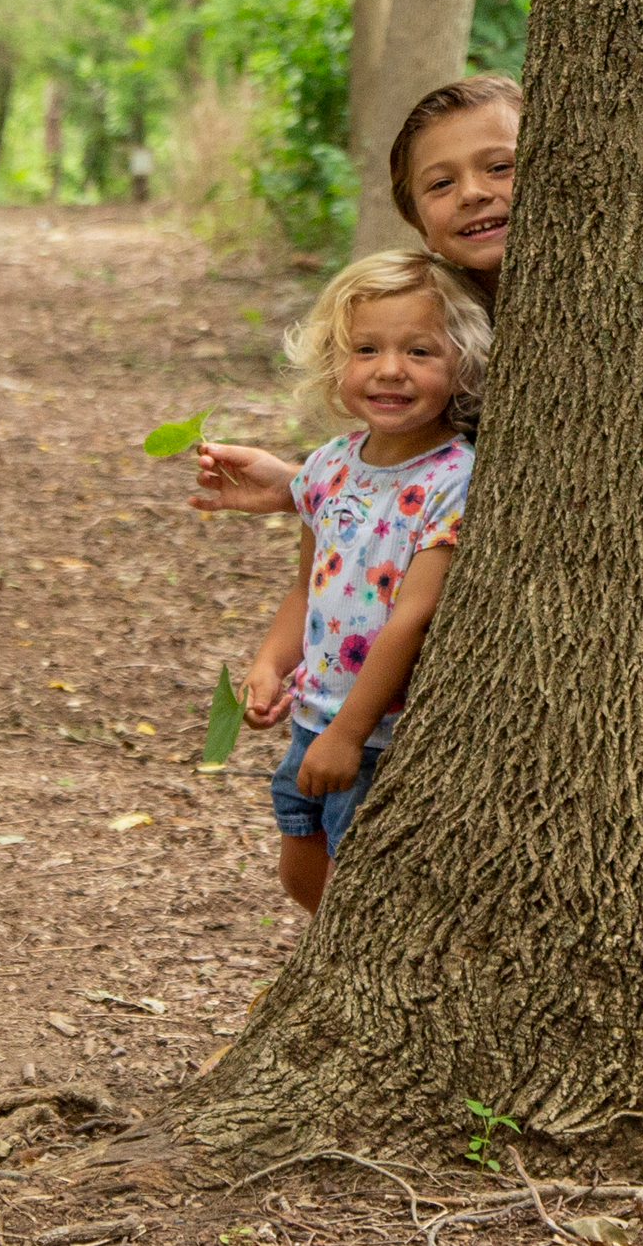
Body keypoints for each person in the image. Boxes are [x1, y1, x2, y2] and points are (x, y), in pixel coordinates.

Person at [238, 249, 489, 912]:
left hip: (379, 735)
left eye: (420, 351)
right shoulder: (326, 467)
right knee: (300, 872)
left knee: (363, 891)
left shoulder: (453, 479)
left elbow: (413, 617)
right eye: (367, 348)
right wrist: (270, 665)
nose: (390, 370)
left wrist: (350, 733)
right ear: (336, 362)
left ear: (461, 361)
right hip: (313, 717)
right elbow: (305, 588)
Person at [194, 74, 519, 515]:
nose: (472, 193)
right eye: (440, 184)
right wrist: (300, 487)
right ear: (418, 223)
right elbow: (419, 471)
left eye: (500, 167)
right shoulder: (428, 317)